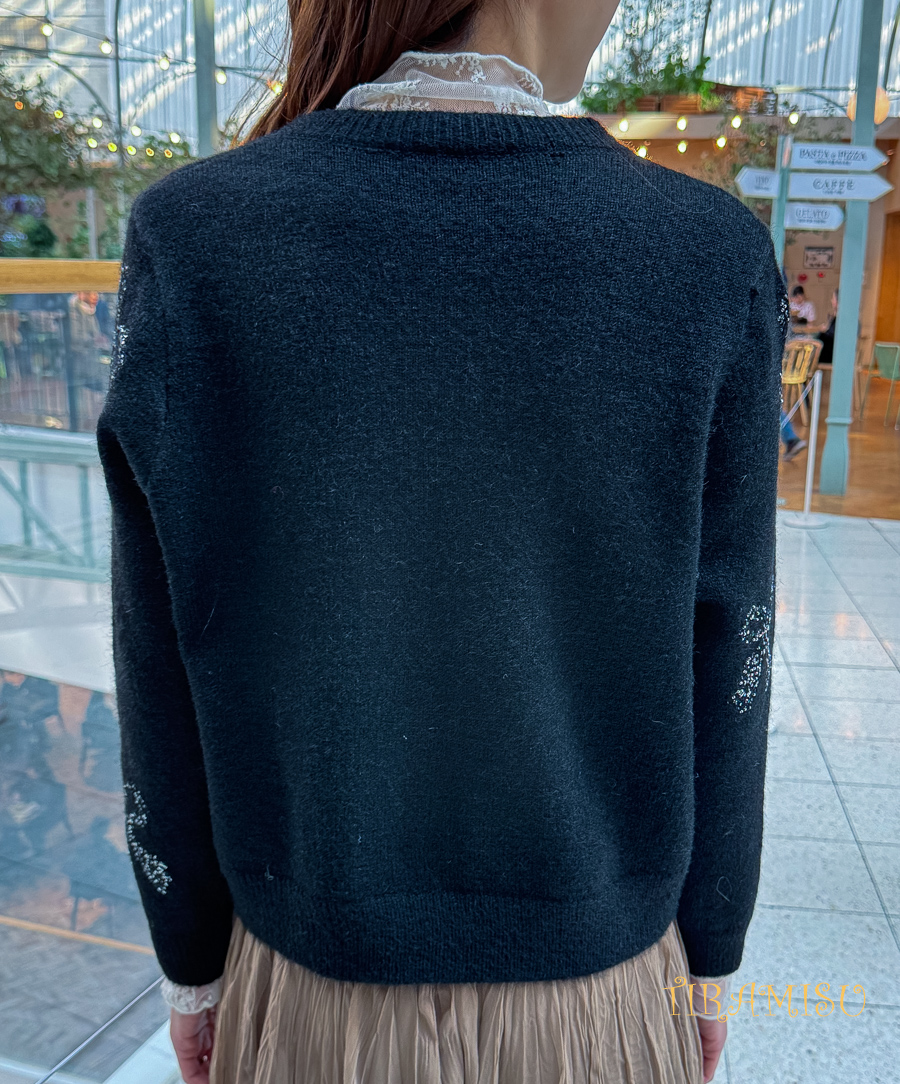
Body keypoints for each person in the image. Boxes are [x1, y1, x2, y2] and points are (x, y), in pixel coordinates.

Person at [95, 1, 787, 1082]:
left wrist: (190, 959)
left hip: (308, 989)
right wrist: (713, 952)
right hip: (599, 997)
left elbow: (160, 641)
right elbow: (733, 652)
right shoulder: (708, 252)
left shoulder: (194, 236)